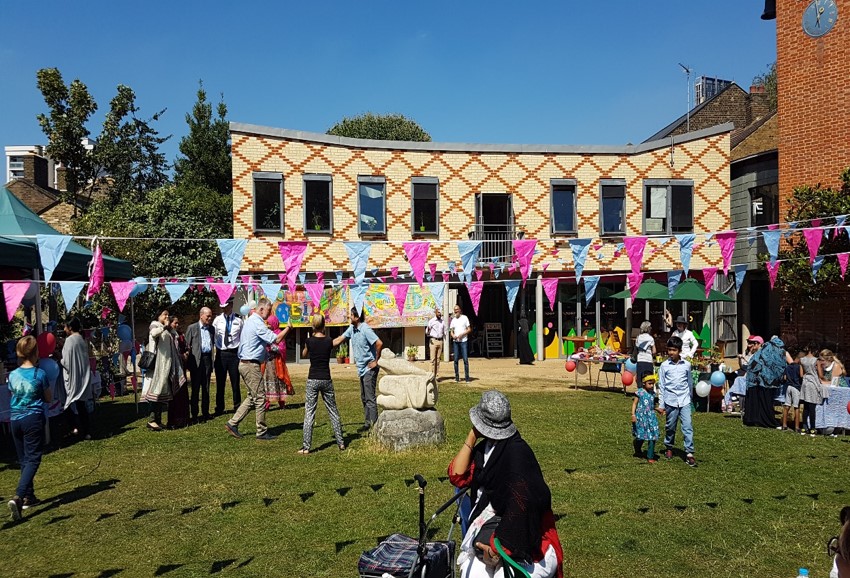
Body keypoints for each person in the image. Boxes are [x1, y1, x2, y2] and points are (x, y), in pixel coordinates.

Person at [448, 390, 564, 578]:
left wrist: (496, 547)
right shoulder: (485, 449)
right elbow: (457, 476)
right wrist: (471, 436)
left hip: (526, 538)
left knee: (505, 575)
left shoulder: (517, 454)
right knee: (474, 574)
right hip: (488, 529)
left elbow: (522, 506)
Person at [225, 297, 287, 441]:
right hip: (250, 364)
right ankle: (261, 431)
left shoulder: (251, 321)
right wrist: (288, 328)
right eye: (268, 310)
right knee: (260, 398)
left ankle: (233, 423)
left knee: (252, 397)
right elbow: (276, 339)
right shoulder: (257, 323)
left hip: (246, 363)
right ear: (261, 309)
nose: (270, 313)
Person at [7, 336, 53, 520]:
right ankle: (19, 496)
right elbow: (48, 398)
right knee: (33, 458)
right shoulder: (39, 374)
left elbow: (13, 393)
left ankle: (29, 496)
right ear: (35, 353)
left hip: (15, 419)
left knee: (23, 459)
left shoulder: (12, 375)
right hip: (32, 419)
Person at [299, 314, 345, 454]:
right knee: (333, 411)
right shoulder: (328, 341)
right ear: (324, 325)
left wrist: (308, 341)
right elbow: (338, 341)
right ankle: (341, 442)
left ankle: (306, 447)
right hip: (326, 378)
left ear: (313, 326)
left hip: (313, 379)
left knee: (310, 412)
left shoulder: (309, 341)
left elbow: (303, 354)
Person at [333, 307, 383, 430]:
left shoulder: (365, 329)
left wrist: (376, 361)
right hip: (361, 369)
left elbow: (379, 343)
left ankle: (374, 426)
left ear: (357, 317)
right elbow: (340, 339)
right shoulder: (352, 329)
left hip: (369, 369)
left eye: (351, 315)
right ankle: (368, 424)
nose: (349, 317)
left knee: (370, 398)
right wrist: (322, 343)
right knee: (364, 397)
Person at [144, 308, 185, 431]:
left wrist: (169, 327)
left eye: (168, 315)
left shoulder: (166, 328)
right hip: (157, 366)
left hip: (165, 365)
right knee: (155, 392)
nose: (167, 317)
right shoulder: (154, 325)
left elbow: (176, 335)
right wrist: (164, 327)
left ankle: (158, 420)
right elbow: (153, 334)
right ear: (158, 316)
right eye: (164, 315)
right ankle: (152, 420)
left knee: (162, 393)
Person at [658, 335, 697, 467]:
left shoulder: (686, 365)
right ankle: (669, 446)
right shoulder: (664, 366)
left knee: (687, 426)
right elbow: (661, 386)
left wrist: (690, 398)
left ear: (679, 351)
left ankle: (689, 453)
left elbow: (689, 383)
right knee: (670, 426)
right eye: (669, 350)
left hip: (684, 400)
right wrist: (662, 404)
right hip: (670, 400)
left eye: (674, 350)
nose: (671, 353)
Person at [61, 317, 92, 440]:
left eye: (65, 327)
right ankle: (86, 431)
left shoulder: (70, 340)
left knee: (68, 404)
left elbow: (66, 361)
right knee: (81, 405)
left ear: (70, 328)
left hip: (73, 376)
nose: (64, 329)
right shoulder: (81, 339)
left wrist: (59, 356)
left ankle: (74, 427)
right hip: (83, 374)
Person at [212, 298, 243, 415]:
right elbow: (214, 335)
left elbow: (242, 336)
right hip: (221, 353)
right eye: (222, 306)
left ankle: (237, 406)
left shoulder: (238, 320)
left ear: (231, 305)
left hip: (234, 354)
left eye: (226, 306)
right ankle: (219, 407)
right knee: (220, 382)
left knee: (235, 382)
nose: (224, 308)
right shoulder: (217, 320)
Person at [185, 307, 215, 422]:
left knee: (206, 387)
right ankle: (195, 414)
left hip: (207, 359)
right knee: (195, 388)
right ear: (201, 315)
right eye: (208, 316)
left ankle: (205, 412)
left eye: (210, 316)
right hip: (196, 361)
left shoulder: (212, 329)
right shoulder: (192, 328)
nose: (209, 318)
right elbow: (187, 345)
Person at [631, 374, 664, 463]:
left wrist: (657, 409)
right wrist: (633, 415)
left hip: (651, 417)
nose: (651, 385)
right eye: (649, 383)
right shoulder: (640, 392)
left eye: (653, 383)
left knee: (653, 436)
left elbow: (651, 406)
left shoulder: (652, 394)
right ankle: (637, 448)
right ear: (644, 383)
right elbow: (634, 404)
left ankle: (650, 456)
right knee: (641, 435)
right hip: (641, 417)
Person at [262, 315, 291, 410]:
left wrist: (271, 347)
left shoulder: (279, 333)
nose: (268, 325)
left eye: (270, 323)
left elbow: (281, 348)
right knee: (267, 381)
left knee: (279, 381)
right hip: (268, 363)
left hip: (277, 362)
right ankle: (267, 402)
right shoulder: (267, 333)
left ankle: (281, 401)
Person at [167, 316, 190, 429]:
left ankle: (184, 419)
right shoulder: (168, 336)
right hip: (172, 369)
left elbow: (185, 347)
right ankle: (173, 420)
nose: (176, 325)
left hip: (182, 367)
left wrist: (185, 354)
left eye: (177, 323)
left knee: (182, 395)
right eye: (175, 323)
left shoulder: (180, 335)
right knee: (174, 396)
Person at [800, 342, 827, 437]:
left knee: (806, 407)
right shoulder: (816, 361)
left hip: (805, 383)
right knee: (812, 407)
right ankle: (812, 428)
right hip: (813, 383)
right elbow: (820, 375)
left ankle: (803, 427)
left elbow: (801, 374)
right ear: (815, 350)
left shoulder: (802, 360)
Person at [780, 348, 803, 432]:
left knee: (786, 406)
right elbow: (801, 376)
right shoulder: (799, 366)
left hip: (788, 387)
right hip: (796, 387)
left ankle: (784, 425)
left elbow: (785, 378)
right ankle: (797, 427)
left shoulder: (788, 366)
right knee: (796, 407)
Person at [450, 304, 472, 382]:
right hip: (456, 342)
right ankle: (457, 377)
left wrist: (462, 334)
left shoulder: (464, 318)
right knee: (455, 360)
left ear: (460, 310)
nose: (456, 311)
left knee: (465, 360)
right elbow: (451, 332)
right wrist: (453, 336)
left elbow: (469, 329)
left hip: (463, 341)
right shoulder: (453, 320)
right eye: (455, 310)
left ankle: (467, 378)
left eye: (457, 309)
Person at [426, 308, 447, 377]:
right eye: (438, 313)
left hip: (440, 341)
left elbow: (445, 332)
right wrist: (428, 330)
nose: (440, 314)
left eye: (440, 313)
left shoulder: (443, 322)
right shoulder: (431, 321)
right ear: (435, 313)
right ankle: (430, 375)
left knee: (438, 360)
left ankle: (436, 375)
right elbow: (427, 332)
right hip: (433, 341)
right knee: (432, 359)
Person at [634, 321, 656, 386]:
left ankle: (640, 393)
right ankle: (649, 394)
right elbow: (654, 351)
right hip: (648, 360)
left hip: (640, 360)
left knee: (640, 379)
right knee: (649, 379)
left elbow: (636, 348)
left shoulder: (638, 337)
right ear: (648, 328)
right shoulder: (651, 338)